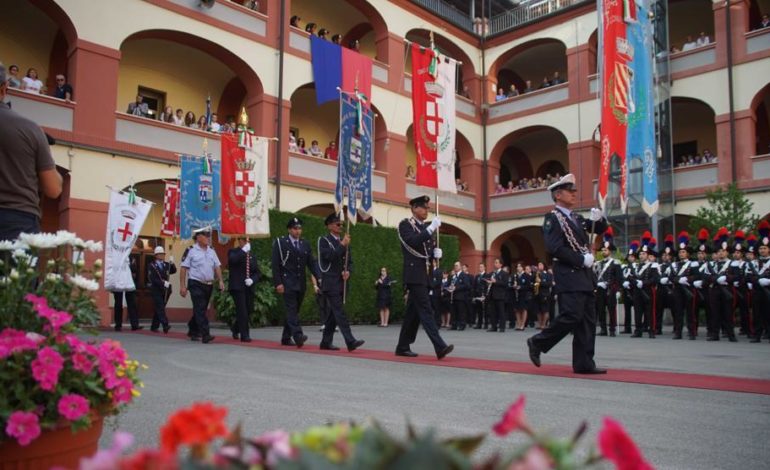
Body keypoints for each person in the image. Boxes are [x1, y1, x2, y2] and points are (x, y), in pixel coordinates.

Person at [526, 173, 608, 374]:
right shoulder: (552, 218)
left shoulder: (577, 218)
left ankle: (584, 363)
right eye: (570, 192)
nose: (574, 195)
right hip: (569, 275)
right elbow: (554, 247)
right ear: (558, 195)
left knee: (587, 320)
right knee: (571, 315)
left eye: (574, 191)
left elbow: (598, 228)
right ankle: (538, 342)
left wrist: (600, 219)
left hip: (585, 277)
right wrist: (581, 259)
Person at [0, 63, 63, 241]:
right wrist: (43, 152)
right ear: (5, 88)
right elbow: (54, 188)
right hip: (16, 222)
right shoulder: (30, 129)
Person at [395, 195, 454, 359]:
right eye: (423, 207)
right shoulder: (405, 224)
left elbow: (427, 250)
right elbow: (413, 241)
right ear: (414, 208)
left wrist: (436, 254)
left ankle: (402, 346)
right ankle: (439, 346)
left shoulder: (425, 227)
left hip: (424, 274)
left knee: (412, 314)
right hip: (414, 274)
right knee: (426, 309)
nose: (426, 210)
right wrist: (431, 229)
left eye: (427, 208)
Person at [317, 213, 365, 352]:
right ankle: (350, 341)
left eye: (341, 224)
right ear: (329, 226)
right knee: (339, 311)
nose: (340, 227)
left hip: (342, 282)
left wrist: (348, 270)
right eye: (337, 224)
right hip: (331, 282)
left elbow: (349, 261)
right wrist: (342, 244)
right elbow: (329, 257)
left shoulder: (344, 241)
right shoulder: (324, 240)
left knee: (334, 312)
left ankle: (325, 342)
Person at [271, 217, 321, 348]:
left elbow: (312, 263)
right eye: (295, 228)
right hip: (287, 282)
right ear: (289, 229)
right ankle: (298, 336)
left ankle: (286, 338)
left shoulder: (305, 244)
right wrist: (278, 283)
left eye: (299, 228)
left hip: (300, 283)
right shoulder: (281, 243)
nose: (298, 231)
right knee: (291, 309)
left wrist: (319, 277)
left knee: (294, 311)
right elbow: (275, 265)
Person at [180, 228, 225, 344]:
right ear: (198, 237)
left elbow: (217, 266)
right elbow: (183, 268)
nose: (208, 238)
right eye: (206, 235)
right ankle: (205, 334)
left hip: (208, 285)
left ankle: (192, 328)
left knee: (201, 309)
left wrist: (220, 281)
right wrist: (183, 286)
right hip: (195, 283)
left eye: (209, 235)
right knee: (200, 308)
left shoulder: (212, 251)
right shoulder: (190, 250)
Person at [228, 237, 261, 342]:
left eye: (248, 241)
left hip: (248, 286)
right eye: (244, 240)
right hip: (237, 286)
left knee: (248, 310)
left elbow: (257, 272)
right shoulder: (233, 252)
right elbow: (233, 261)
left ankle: (235, 328)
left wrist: (252, 279)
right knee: (242, 310)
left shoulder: (251, 256)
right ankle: (245, 335)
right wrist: (243, 251)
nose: (247, 242)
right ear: (239, 241)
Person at [595, 229, 621, 336]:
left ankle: (612, 329)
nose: (603, 252)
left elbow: (619, 278)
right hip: (600, 289)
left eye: (605, 250)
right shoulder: (599, 263)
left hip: (611, 289)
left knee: (611, 310)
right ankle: (603, 329)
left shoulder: (616, 263)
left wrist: (618, 290)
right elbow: (596, 276)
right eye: (602, 250)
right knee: (601, 309)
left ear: (610, 251)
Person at [148, 245, 176, 334]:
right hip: (156, 289)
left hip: (166, 290)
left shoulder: (166, 264)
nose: (162, 256)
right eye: (160, 254)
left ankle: (154, 326)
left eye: (163, 254)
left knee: (160, 308)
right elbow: (152, 278)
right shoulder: (152, 265)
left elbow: (173, 271)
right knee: (160, 307)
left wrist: (172, 263)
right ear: (156, 255)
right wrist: (163, 283)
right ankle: (165, 325)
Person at [750, 221, 770, 342]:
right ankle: (757, 334)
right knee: (757, 313)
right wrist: (756, 280)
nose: (762, 250)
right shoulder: (754, 263)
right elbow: (747, 276)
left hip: (768, 289)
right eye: (761, 248)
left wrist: (767, 281)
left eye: (765, 248)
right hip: (757, 290)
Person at [448, 261, 471, 330]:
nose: (455, 267)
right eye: (455, 265)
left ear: (460, 267)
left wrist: (456, 288)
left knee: (461, 311)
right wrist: (450, 287)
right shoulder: (453, 276)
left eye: (457, 265)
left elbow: (467, 285)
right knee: (453, 311)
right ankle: (454, 324)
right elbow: (451, 284)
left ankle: (462, 324)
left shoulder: (464, 275)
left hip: (461, 296)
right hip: (453, 296)